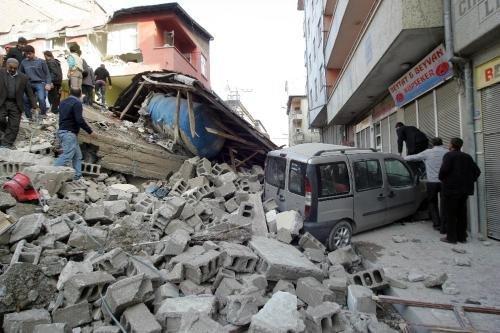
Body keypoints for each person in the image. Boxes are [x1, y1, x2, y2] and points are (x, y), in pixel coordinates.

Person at [438, 138, 481, 244]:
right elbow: (477, 171)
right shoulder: (467, 157)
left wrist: (444, 180)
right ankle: (462, 237)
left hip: (451, 190)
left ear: (452, 145)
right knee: (462, 213)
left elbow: (443, 171)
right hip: (464, 191)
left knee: (451, 214)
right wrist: (469, 181)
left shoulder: (449, 155)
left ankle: (451, 238)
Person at [405, 137, 448, 231]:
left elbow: (414, 157)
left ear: (432, 144)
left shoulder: (428, 152)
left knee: (432, 203)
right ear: (442, 143)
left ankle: (436, 224)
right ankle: (445, 225)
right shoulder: (447, 152)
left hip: (432, 182)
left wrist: (401, 158)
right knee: (445, 204)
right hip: (444, 182)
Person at [54, 88, 96, 179]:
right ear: (80, 94)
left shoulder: (62, 102)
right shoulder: (77, 103)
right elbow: (79, 120)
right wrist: (90, 131)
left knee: (77, 156)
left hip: (63, 131)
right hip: (69, 133)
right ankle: (49, 173)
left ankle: (77, 176)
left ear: (69, 93)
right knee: (67, 156)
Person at [0, 58, 37, 148]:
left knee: (14, 125)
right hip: (2, 102)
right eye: (11, 67)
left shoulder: (23, 77)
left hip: (16, 104)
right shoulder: (1, 73)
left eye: (15, 68)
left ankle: (6, 143)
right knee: (0, 119)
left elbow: (29, 92)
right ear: (6, 65)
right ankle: (3, 135)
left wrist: (34, 106)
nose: (12, 70)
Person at [19, 45, 51, 119]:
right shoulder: (23, 62)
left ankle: (43, 115)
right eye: (26, 54)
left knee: (41, 99)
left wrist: (48, 83)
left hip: (40, 83)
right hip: (28, 83)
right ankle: (29, 117)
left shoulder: (41, 62)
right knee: (25, 99)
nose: (28, 55)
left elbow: (47, 74)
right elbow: (20, 74)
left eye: (29, 53)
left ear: (33, 53)